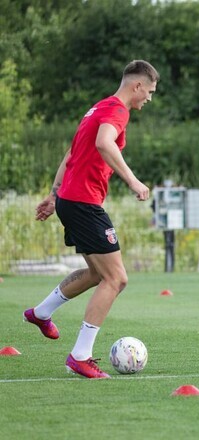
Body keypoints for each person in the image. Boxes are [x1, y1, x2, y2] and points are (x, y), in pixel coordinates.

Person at [24, 60, 159, 379]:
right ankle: (80, 355)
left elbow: (71, 156)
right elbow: (103, 143)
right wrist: (133, 180)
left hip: (71, 200)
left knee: (98, 274)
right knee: (117, 279)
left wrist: (54, 195)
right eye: (150, 92)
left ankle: (41, 313)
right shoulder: (117, 110)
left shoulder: (97, 108)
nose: (149, 99)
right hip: (84, 203)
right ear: (137, 86)